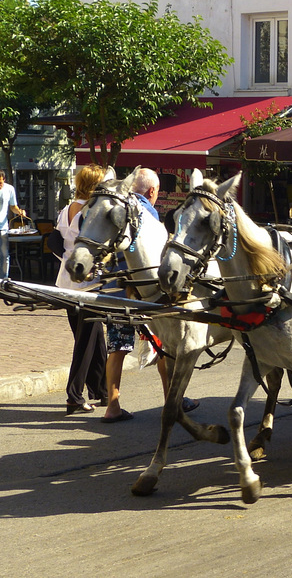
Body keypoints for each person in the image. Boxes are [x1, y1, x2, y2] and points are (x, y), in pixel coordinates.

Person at [101, 168, 200, 423]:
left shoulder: (117, 206)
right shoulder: (148, 213)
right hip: (146, 294)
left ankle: (112, 405)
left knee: (118, 348)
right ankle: (172, 400)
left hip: (116, 290)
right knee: (164, 346)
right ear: (153, 191)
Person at [56, 164, 109, 415]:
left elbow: (56, 242)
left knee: (94, 338)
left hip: (65, 281)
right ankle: (74, 396)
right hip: (88, 282)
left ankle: (101, 390)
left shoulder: (67, 209)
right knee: (86, 341)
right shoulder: (91, 211)